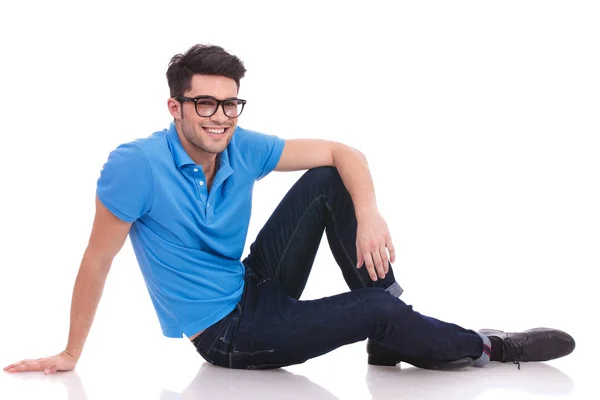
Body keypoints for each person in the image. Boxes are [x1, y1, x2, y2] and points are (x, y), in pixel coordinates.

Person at [3, 44, 575, 375]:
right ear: (175, 106)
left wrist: (369, 211)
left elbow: (340, 151)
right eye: (205, 103)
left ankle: (393, 331)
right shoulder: (135, 166)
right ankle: (486, 347)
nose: (220, 116)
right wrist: (72, 351)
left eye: (230, 103)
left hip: (253, 284)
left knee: (329, 180)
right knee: (377, 306)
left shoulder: (239, 142)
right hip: (227, 333)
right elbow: (96, 259)